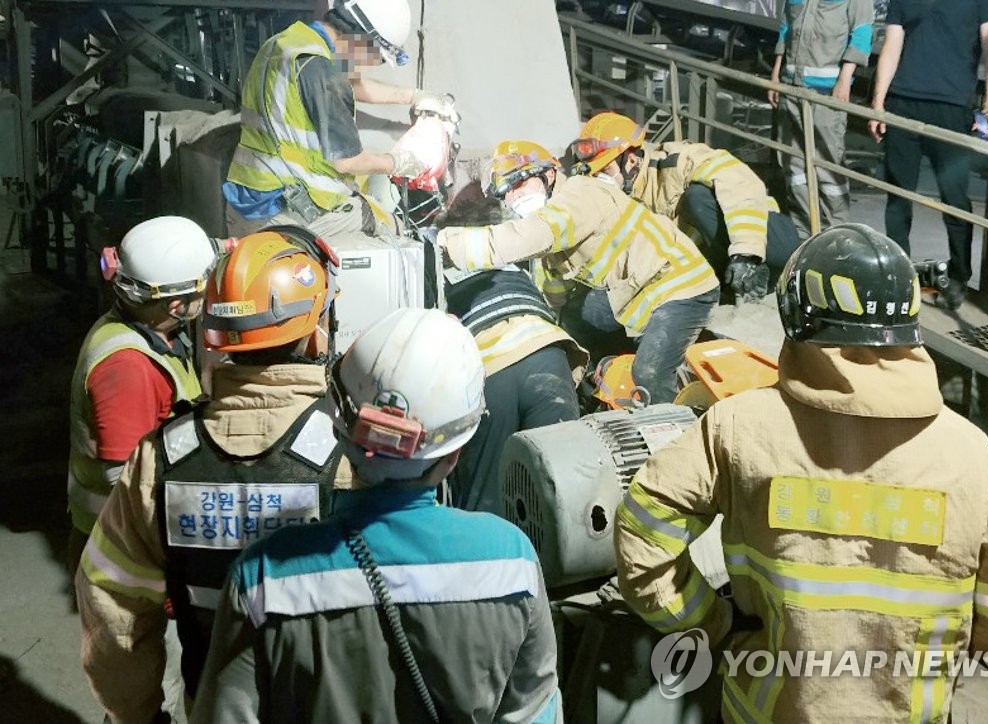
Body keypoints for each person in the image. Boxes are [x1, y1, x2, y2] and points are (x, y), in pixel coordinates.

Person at [614, 223, 988, 721]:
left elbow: (642, 536)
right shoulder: (971, 454)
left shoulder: (739, 425)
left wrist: (712, 623)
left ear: (797, 318)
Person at [192, 308, 562, 723]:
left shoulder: (263, 576)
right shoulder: (510, 560)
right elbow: (534, 711)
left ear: (339, 429)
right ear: (455, 452)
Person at [76, 227, 345, 722]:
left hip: (212, 705)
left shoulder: (161, 458)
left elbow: (112, 602)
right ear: (316, 329)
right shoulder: (350, 455)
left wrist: (138, 713)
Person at [439, 131, 720, 405]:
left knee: (648, 376)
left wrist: (446, 245)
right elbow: (554, 291)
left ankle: (676, 427)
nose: (514, 198)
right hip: (637, 289)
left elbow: (525, 237)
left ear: (548, 175)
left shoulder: (578, 194)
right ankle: (602, 377)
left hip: (680, 285)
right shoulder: (551, 222)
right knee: (574, 317)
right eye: (506, 194)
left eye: (519, 184)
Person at [223, 0, 456, 240]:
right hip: (288, 213)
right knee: (397, 231)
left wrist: (416, 96)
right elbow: (347, 162)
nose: (374, 65)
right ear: (362, 40)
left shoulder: (290, 43)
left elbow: (355, 86)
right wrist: (398, 162)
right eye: (379, 58)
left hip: (246, 202)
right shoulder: (323, 70)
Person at [67, 216, 214, 576]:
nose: (208, 292)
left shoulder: (142, 321)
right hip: (123, 549)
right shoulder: (128, 369)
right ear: (176, 305)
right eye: (202, 288)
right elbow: (126, 482)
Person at [440, 193, 588, 513]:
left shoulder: (441, 274)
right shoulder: (514, 267)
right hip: (547, 355)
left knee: (486, 495)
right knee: (565, 491)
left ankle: (494, 557)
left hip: (491, 370)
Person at [581, 112, 801, 302]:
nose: (600, 178)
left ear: (629, 159)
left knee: (698, 198)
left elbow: (740, 186)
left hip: (770, 242)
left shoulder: (677, 162)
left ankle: (748, 268)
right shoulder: (624, 197)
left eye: (605, 170)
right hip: (723, 269)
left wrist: (746, 255)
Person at [868, 0, 988, 310]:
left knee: (954, 198)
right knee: (898, 195)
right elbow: (892, 44)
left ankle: (959, 276)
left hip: (952, 107)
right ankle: (898, 273)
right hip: (902, 102)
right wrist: (878, 103)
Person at [769, 0, 874, 240]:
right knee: (794, 165)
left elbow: (862, 31)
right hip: (791, 87)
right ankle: (804, 234)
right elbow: (787, 25)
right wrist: (776, 71)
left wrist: (845, 78)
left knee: (828, 167)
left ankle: (836, 234)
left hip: (826, 93)